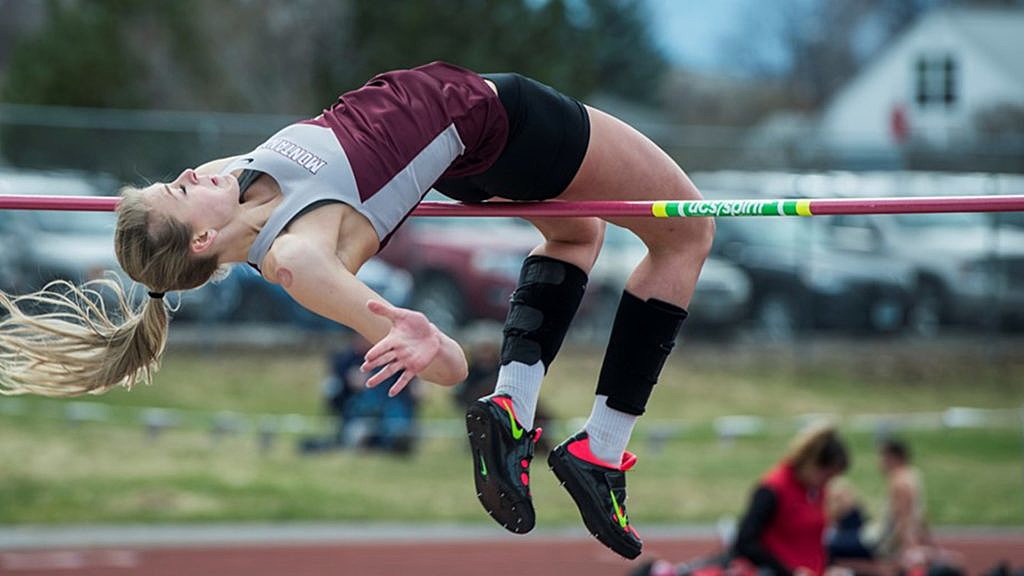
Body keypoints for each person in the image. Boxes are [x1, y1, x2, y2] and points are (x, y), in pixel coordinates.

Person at [0, 61, 713, 559]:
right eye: (179, 191)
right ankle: (603, 451)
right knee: (688, 229)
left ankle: (514, 412)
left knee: (575, 234)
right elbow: (444, 360)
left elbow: (187, 232)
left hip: (462, 155)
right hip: (502, 119)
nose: (190, 173)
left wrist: (159, 222)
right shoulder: (296, 259)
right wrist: (420, 340)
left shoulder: (235, 182)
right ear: (205, 238)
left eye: (172, 179)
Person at [731, 423, 850, 576]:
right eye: (826, 476)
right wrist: (788, 572)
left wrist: (830, 566)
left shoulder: (814, 490)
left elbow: (812, 541)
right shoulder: (772, 490)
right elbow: (745, 542)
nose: (828, 483)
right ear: (812, 463)